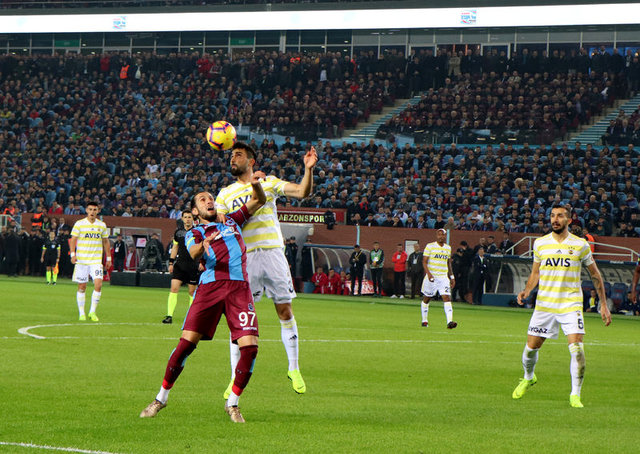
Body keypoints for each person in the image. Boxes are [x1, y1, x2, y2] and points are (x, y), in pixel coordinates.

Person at [140, 179, 266, 423]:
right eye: (202, 199)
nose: (209, 200)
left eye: (210, 197)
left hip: (239, 289)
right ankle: (161, 398)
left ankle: (233, 404)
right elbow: (194, 251)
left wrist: (254, 184)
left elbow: (259, 200)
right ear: (195, 211)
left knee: (250, 348)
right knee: (186, 345)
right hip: (209, 289)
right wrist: (203, 245)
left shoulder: (232, 220)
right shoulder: (194, 232)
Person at [215, 142, 317, 397]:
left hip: (272, 253)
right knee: (239, 321)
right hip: (245, 258)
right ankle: (232, 377)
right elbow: (224, 225)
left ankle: (294, 368)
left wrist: (308, 169)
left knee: (284, 310)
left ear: (251, 161)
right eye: (231, 155)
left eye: (238, 155)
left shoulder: (269, 181)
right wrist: (254, 194)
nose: (232, 158)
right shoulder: (224, 194)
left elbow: (302, 192)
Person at [513, 204, 611, 408]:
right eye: (552, 216)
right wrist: (527, 290)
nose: (555, 219)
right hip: (545, 305)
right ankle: (528, 377)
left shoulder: (580, 245)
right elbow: (535, 273)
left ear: (569, 220)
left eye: (559, 216)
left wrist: (603, 304)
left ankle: (575, 394)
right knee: (531, 349)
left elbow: (595, 274)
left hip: (570, 304)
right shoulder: (540, 244)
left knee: (577, 349)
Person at [69, 202, 111, 321]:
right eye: (90, 209)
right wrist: (73, 254)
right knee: (82, 286)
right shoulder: (80, 224)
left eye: (95, 210)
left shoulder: (101, 225)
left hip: (96, 261)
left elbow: (106, 241)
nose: (92, 212)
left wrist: (108, 258)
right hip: (82, 260)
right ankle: (81, 312)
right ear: (87, 210)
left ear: (98, 211)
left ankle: (92, 312)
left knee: (98, 284)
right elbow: (73, 240)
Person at [163, 211, 201, 324]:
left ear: (193, 219)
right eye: (185, 217)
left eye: (190, 217)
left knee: (191, 292)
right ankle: (169, 316)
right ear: (182, 219)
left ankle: (191, 317)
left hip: (193, 265)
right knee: (174, 288)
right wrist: (171, 263)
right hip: (180, 264)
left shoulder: (197, 232)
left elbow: (202, 247)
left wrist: (201, 262)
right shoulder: (178, 232)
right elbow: (175, 248)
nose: (188, 219)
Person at [420, 229, 457, 329]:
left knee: (446, 297)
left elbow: (448, 263)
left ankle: (450, 322)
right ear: (436, 236)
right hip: (432, 277)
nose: (441, 236)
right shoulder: (430, 246)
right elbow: (424, 262)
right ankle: (424, 320)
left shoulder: (448, 248)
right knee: (427, 298)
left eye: (443, 235)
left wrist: (452, 277)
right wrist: (429, 274)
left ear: (445, 236)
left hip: (443, 277)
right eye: (439, 235)